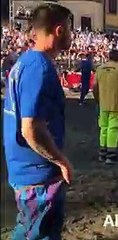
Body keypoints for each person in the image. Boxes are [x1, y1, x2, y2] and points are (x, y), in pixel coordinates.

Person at [3, 4, 73, 239]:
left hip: (25, 170)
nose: (72, 35)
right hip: (37, 176)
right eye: (70, 29)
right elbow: (30, 127)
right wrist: (61, 161)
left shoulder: (23, 63)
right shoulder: (39, 68)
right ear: (60, 30)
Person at [93, 49, 118, 165]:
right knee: (113, 128)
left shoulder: (100, 69)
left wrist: (97, 100)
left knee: (103, 128)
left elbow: (94, 87)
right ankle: (111, 154)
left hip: (103, 103)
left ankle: (102, 153)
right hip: (117, 103)